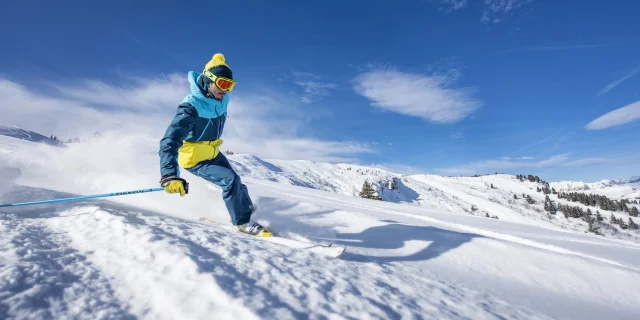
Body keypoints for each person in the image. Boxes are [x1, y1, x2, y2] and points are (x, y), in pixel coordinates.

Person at [158, 53, 270, 237]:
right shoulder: (190, 107)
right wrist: (169, 175)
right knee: (230, 181)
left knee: (238, 184)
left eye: (230, 85)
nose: (225, 91)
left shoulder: (221, 98)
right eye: (223, 84)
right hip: (194, 157)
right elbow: (169, 140)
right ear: (208, 80)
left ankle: (247, 211)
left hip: (212, 152)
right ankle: (242, 224)